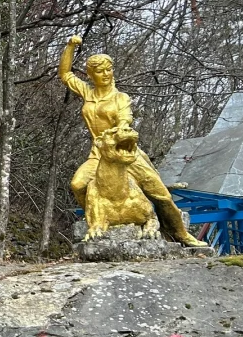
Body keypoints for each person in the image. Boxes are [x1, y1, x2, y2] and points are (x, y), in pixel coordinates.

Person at [59, 34, 198, 245]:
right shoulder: (87, 93)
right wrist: (70, 46)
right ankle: (98, 218)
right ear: (90, 74)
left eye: (109, 69)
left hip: (125, 152)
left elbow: (125, 118)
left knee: (160, 194)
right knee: (78, 184)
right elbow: (65, 73)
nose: (106, 74)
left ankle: (180, 232)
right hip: (99, 154)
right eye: (99, 71)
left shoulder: (120, 98)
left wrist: (122, 127)